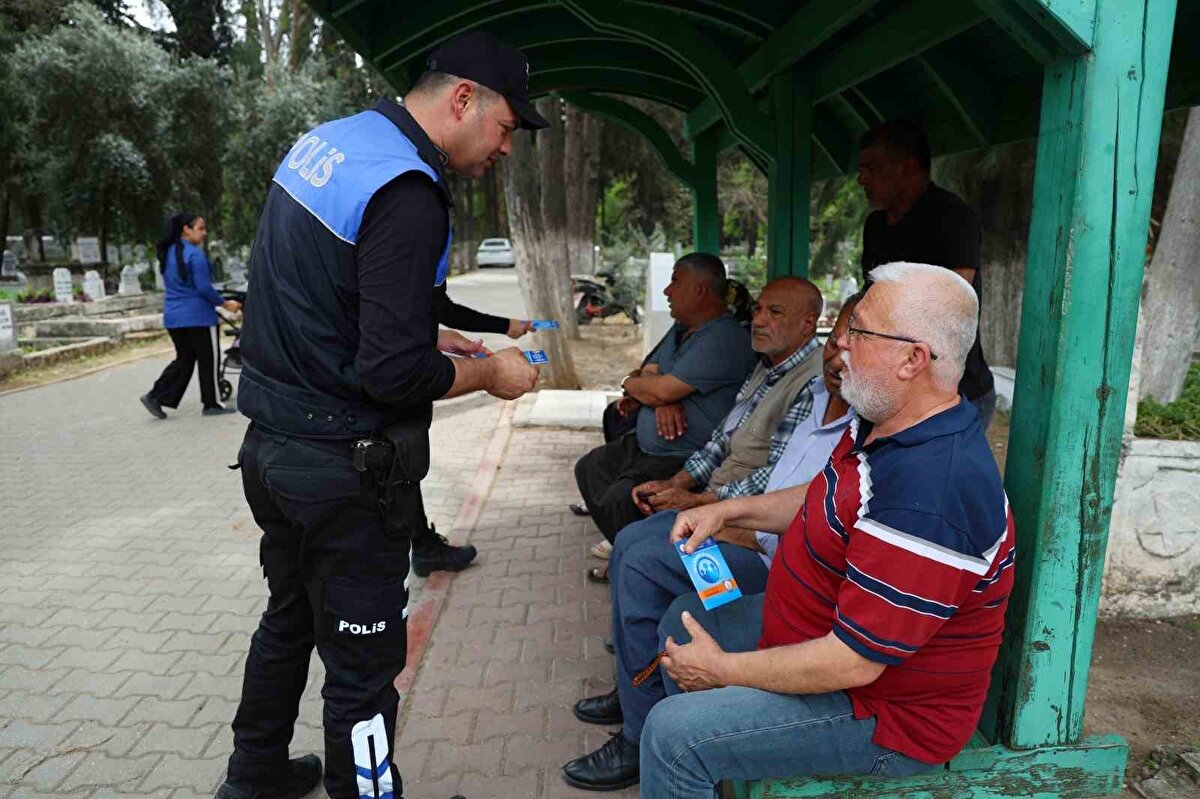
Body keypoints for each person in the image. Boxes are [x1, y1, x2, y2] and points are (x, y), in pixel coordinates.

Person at [215, 31, 546, 799]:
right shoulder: (409, 188)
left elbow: (324, 293)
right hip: (342, 470)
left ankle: (253, 774)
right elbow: (392, 371)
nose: (505, 148)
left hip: (272, 449)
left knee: (289, 619)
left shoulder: (332, 143)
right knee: (364, 669)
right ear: (463, 99)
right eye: (506, 128)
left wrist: (428, 327)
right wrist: (488, 370)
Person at [630, 262, 1015, 798]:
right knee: (682, 618)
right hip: (817, 633)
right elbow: (820, 502)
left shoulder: (934, 490)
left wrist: (725, 671)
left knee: (674, 736)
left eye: (859, 332)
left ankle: (697, 762)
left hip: (882, 715)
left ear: (913, 359)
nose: (841, 349)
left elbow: (854, 662)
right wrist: (727, 512)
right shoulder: (885, 423)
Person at [563, 296, 858, 792]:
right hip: (747, 527)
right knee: (638, 544)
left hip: (767, 558)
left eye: (774, 311)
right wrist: (692, 493)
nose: (839, 353)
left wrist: (714, 511)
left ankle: (639, 731)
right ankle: (637, 684)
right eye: (840, 338)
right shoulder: (810, 390)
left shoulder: (866, 423)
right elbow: (738, 450)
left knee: (641, 560)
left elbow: (801, 509)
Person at [573, 254, 758, 560]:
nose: (667, 291)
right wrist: (659, 397)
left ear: (699, 291)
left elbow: (657, 387)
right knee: (591, 468)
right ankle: (626, 549)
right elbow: (646, 373)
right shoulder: (681, 329)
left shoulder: (723, 337)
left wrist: (658, 392)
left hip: (684, 454)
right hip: (650, 445)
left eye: (675, 282)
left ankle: (636, 559)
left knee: (623, 496)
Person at [858, 119, 997, 428]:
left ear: (906, 168)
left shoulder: (952, 218)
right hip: (893, 385)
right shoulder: (876, 225)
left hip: (954, 392)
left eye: (871, 167)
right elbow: (868, 300)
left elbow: (947, 307)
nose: (860, 179)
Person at [411, 286, 533, 576]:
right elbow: (396, 368)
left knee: (403, 464)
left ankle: (422, 543)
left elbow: (433, 306)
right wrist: (490, 372)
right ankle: (420, 545)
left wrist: (433, 336)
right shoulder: (414, 240)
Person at [140, 213, 241, 418]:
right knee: (208, 360)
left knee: (184, 360)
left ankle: (156, 396)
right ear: (186, 229)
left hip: (174, 318)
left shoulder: (167, 253)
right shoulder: (195, 255)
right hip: (199, 318)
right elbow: (203, 288)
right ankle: (212, 403)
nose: (204, 233)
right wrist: (225, 303)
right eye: (201, 228)